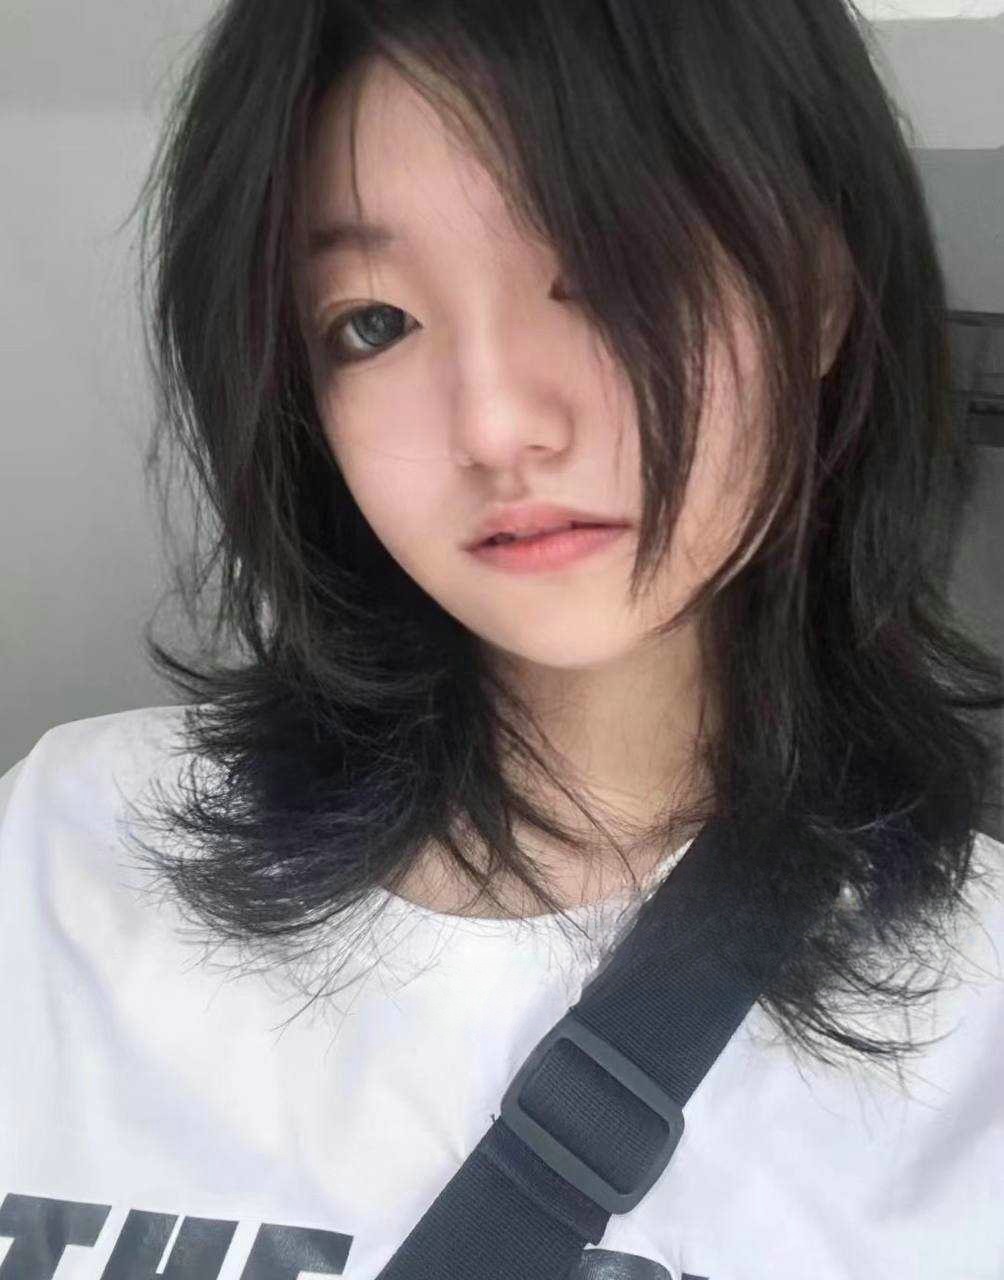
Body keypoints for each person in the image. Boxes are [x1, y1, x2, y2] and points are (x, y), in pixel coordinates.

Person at [1, 2, 1002, 1277]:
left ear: (814, 294)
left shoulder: (974, 1030)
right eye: (373, 321)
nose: (493, 422)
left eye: (612, 272)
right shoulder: (59, 851)